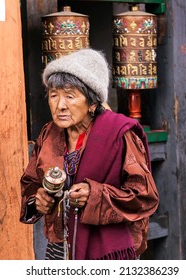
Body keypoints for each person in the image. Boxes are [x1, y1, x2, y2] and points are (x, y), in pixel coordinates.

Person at [19, 48, 159, 260]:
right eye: (54, 95)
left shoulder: (120, 134)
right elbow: (31, 182)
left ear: (92, 103)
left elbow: (144, 197)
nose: (60, 106)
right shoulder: (49, 133)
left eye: (70, 96)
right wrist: (37, 200)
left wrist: (94, 195)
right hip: (60, 248)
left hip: (106, 253)